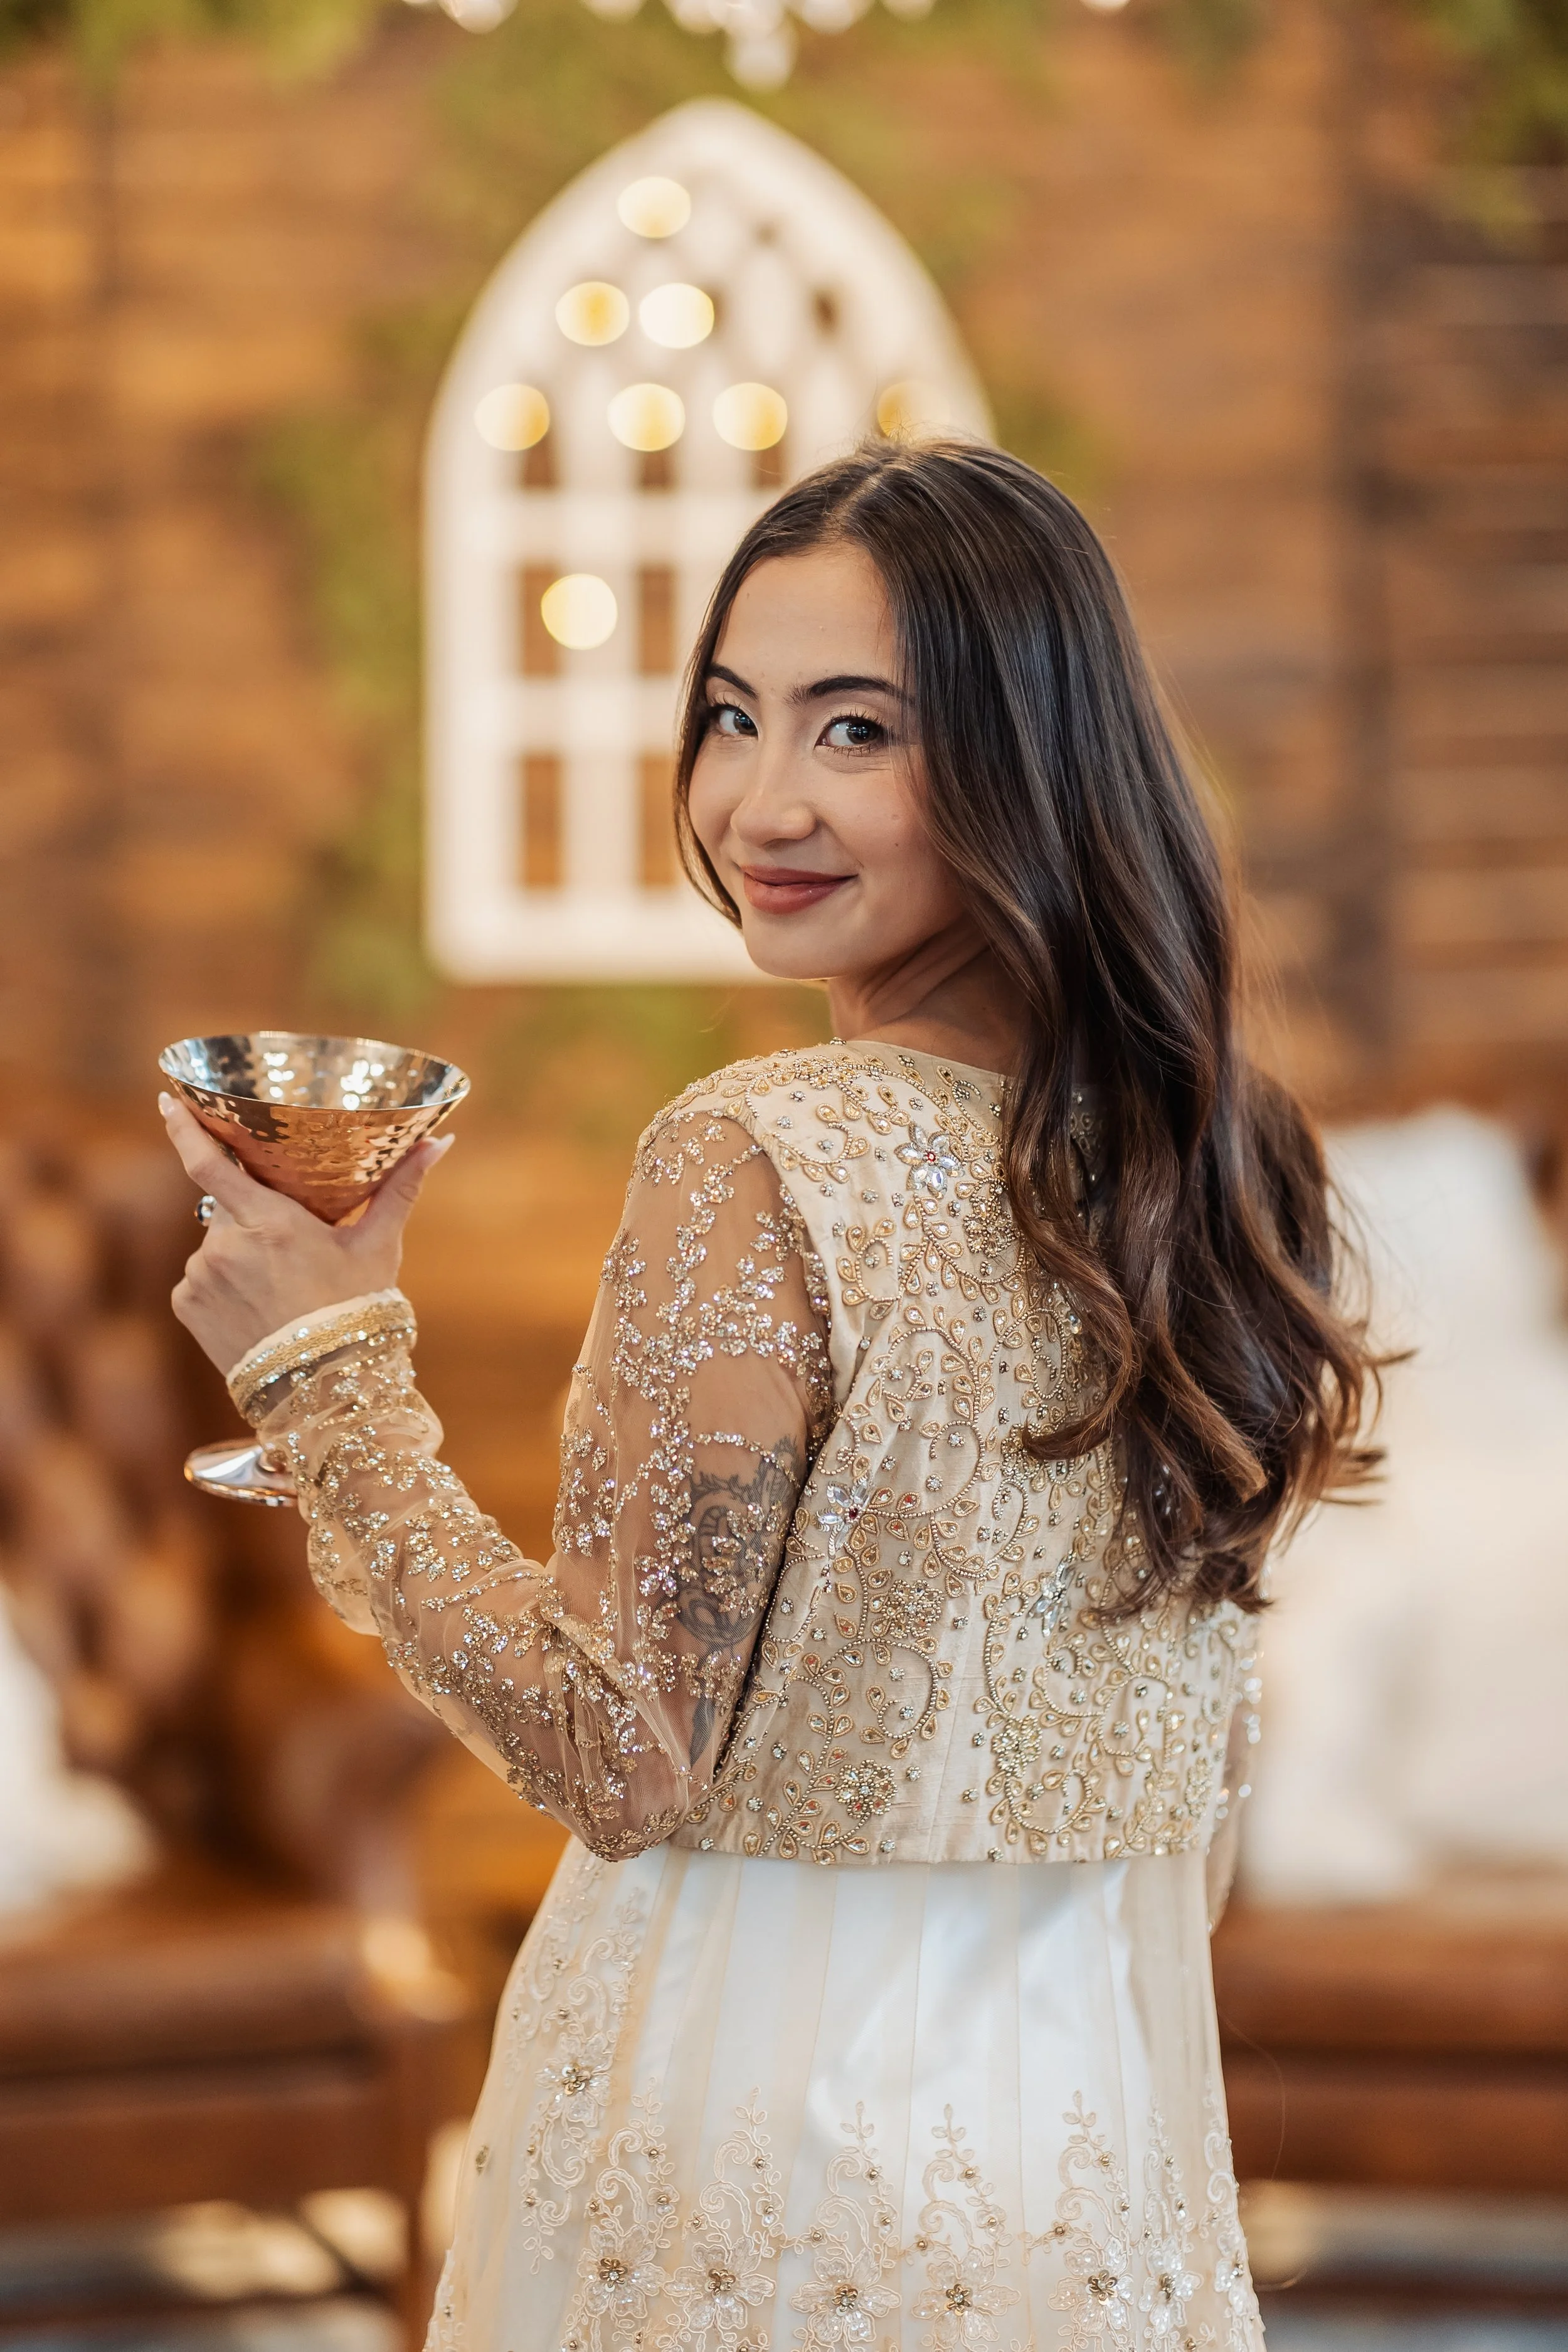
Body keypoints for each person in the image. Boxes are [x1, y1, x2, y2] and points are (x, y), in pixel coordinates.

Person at [160, 440, 1375, 2351]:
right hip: (1086, 2157)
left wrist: (323, 1367)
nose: (760, 800)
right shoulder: (1218, 1173)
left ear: (1025, 758)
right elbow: (1196, 1795)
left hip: (753, 2149)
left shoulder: (765, 1154)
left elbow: (611, 1751)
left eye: (855, 730)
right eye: (733, 715)